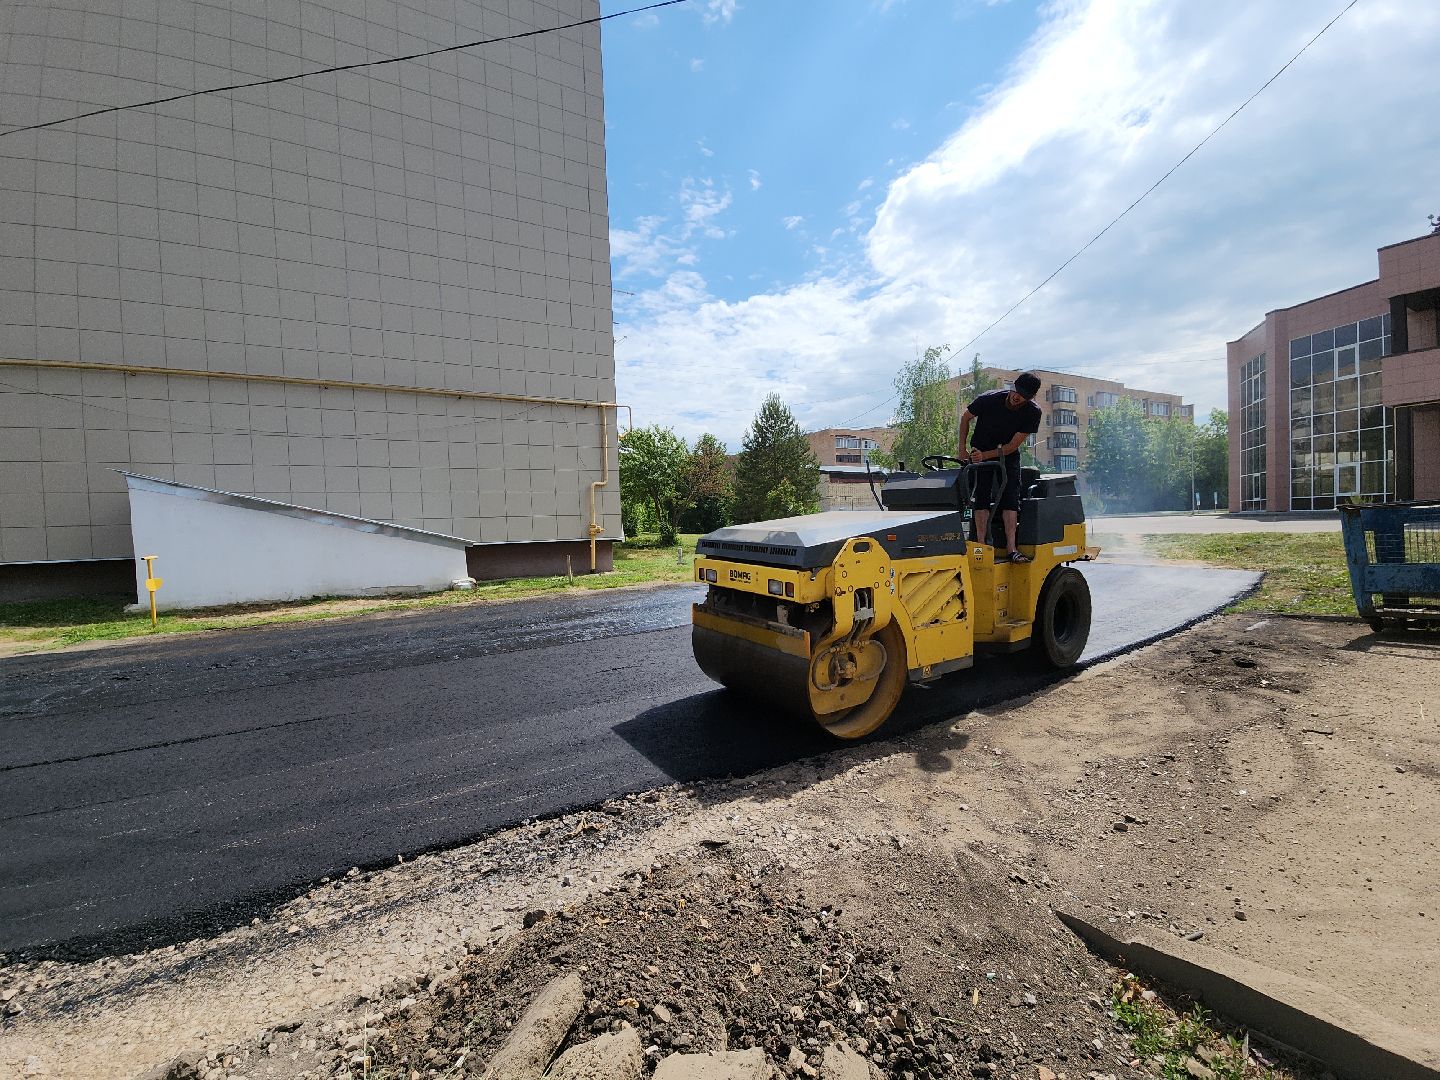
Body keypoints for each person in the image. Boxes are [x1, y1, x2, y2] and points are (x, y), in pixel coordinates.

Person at [957, 372, 1042, 562]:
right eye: (1016, 391)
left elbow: (1012, 446)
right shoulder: (989, 400)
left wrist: (985, 456)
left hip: (1007, 455)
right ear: (1012, 387)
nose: (1017, 397)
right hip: (980, 448)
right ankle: (982, 546)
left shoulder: (1032, 412)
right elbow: (965, 418)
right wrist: (962, 449)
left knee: (1010, 498)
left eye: (1023, 396)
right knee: (981, 497)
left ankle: (1011, 549)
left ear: (1030, 398)